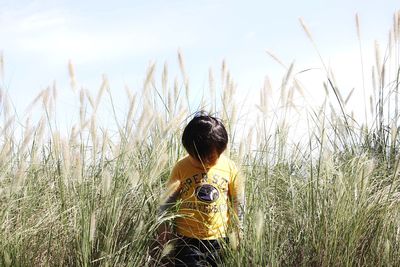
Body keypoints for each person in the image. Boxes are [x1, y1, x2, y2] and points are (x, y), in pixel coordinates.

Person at [156, 112, 245, 266]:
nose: (204, 163)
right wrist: (163, 227)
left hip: (219, 239)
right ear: (189, 150)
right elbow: (167, 200)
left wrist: (238, 229)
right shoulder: (181, 167)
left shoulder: (229, 167)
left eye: (210, 158)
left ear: (221, 150)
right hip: (187, 240)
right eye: (198, 158)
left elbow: (238, 200)